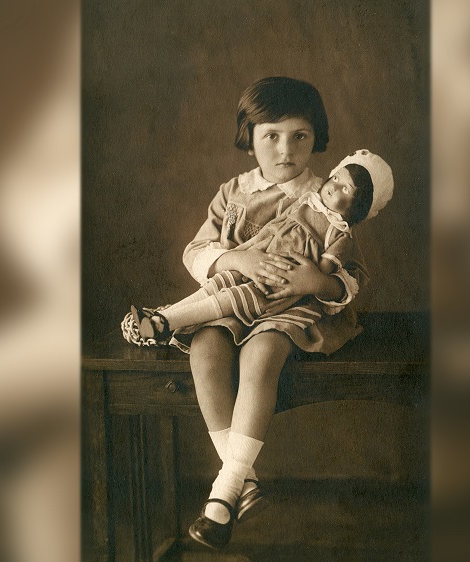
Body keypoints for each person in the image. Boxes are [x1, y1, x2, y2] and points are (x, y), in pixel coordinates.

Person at [131, 76, 388, 551]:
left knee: (262, 354)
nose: (285, 149)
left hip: (294, 309)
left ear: (316, 139)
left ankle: (223, 494)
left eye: (299, 136)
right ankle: (240, 482)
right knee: (205, 347)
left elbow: (351, 277)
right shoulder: (234, 193)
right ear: (249, 139)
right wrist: (235, 259)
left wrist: (316, 282)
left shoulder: (332, 198)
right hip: (236, 298)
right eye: (271, 135)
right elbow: (197, 251)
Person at [131, 150, 393, 347]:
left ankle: (167, 323)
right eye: (335, 177)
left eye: (345, 188)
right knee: (220, 282)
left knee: (232, 298)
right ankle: (161, 317)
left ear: (358, 208)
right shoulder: (307, 201)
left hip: (279, 279)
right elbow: (276, 227)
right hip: (258, 256)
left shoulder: (340, 234)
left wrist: (309, 281)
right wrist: (244, 253)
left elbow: (323, 270)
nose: (333, 186)